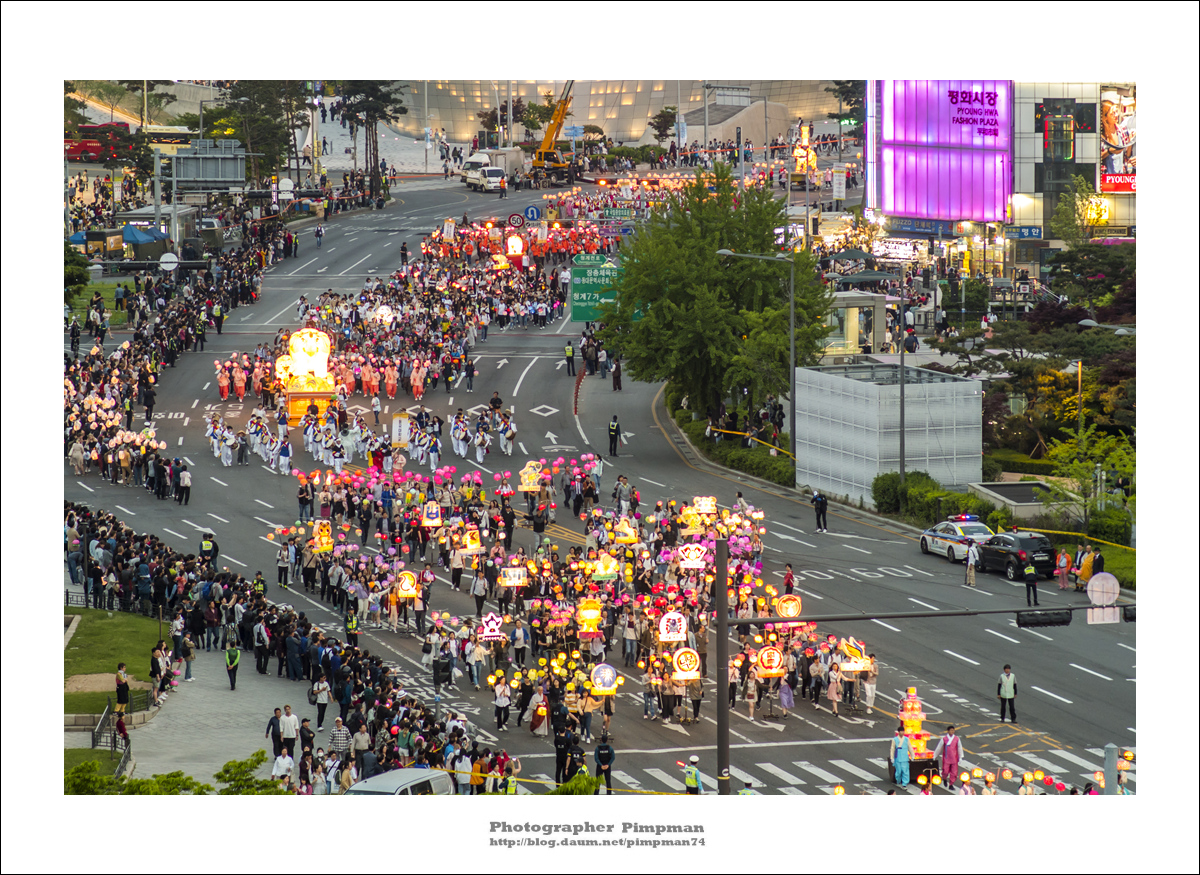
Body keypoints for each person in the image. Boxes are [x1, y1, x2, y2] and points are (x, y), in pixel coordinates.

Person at [933, 725, 962, 789]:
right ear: (948, 731)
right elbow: (939, 747)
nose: (952, 731)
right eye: (951, 730)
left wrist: (960, 757)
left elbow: (959, 748)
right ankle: (944, 779)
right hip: (946, 758)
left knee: (954, 773)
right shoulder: (944, 739)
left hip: (954, 759)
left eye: (953, 730)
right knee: (945, 771)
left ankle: (951, 784)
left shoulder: (957, 739)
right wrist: (935, 755)